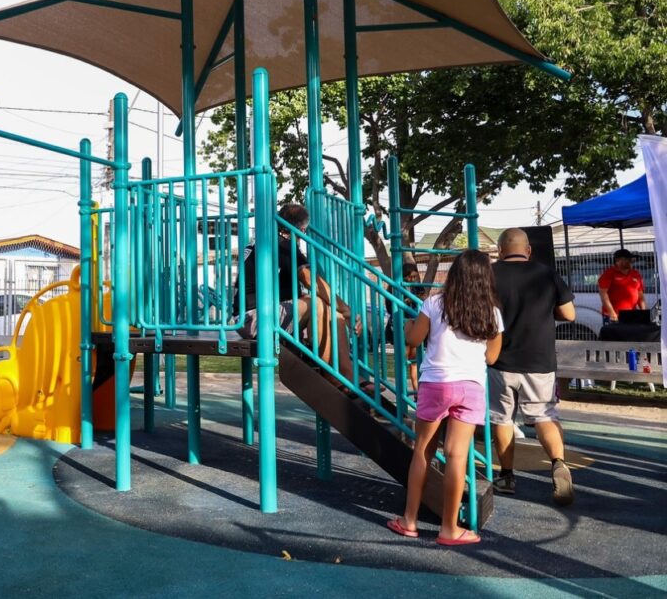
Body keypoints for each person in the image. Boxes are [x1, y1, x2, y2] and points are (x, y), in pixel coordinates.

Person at [387, 249, 502, 546]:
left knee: (422, 451)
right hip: (470, 385)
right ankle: (449, 528)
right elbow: (492, 357)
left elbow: (413, 339)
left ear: (454, 274)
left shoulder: (434, 303)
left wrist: (407, 325)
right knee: (457, 455)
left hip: (436, 383)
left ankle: (409, 520)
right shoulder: (492, 312)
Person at [489, 228, 576, 506]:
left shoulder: (489, 274)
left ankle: (506, 476)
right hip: (540, 360)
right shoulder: (546, 273)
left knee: (502, 419)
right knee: (544, 415)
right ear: (528, 250)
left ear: (500, 250)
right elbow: (569, 314)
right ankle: (559, 463)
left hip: (500, 359)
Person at [231, 203, 360, 381]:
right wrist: (347, 309)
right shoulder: (282, 245)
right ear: (302, 230)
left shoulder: (268, 241)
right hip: (253, 320)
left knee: (330, 310)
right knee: (317, 303)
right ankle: (333, 377)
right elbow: (310, 279)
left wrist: (339, 310)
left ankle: (348, 373)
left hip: (256, 316)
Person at [597, 248, 646, 324]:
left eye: (631, 259)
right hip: (614, 316)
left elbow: (640, 295)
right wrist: (612, 313)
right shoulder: (609, 273)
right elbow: (603, 294)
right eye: (627, 259)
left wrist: (643, 313)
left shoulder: (636, 274)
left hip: (632, 315)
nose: (631, 261)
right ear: (617, 261)